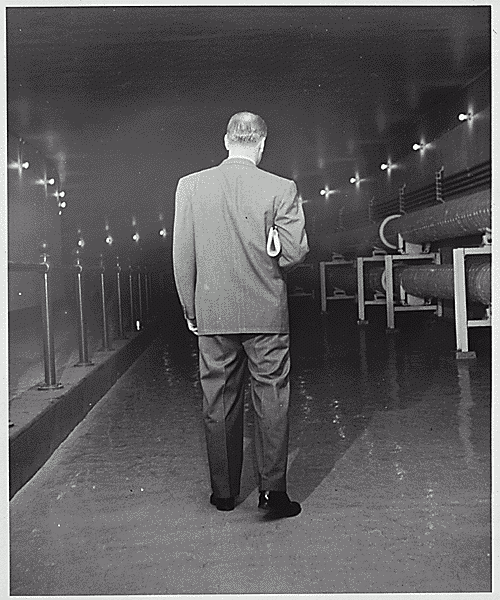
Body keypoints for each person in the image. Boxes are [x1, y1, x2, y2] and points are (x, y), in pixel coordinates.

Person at [172, 111, 309, 518]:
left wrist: (190, 308)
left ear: (226, 140)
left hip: (212, 312)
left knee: (218, 400)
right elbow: (295, 251)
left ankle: (224, 494)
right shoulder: (281, 188)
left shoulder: (190, 186)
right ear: (262, 144)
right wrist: (273, 245)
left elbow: (182, 256)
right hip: (266, 314)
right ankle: (273, 494)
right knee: (271, 399)